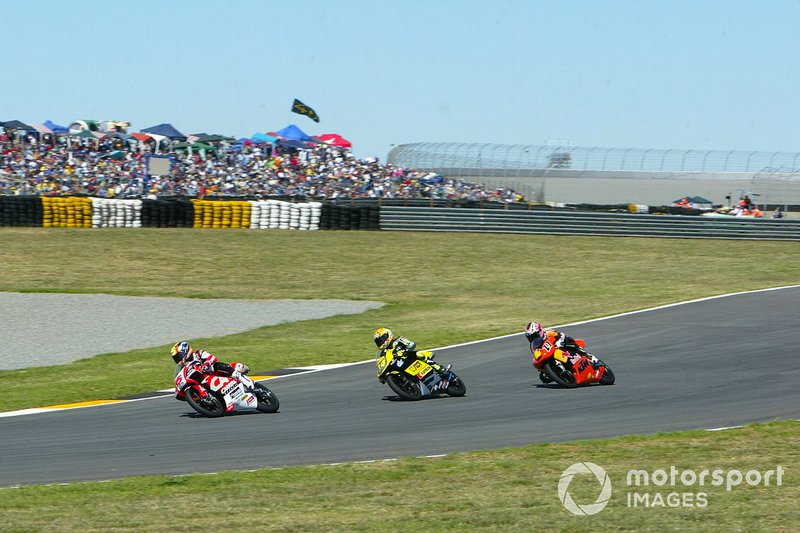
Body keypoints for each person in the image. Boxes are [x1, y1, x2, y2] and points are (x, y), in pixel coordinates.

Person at [524, 321, 595, 366]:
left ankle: (588, 356)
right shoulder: (536, 345)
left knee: (568, 341)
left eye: (534, 336)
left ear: (539, 331)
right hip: (552, 354)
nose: (533, 339)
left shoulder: (548, 332)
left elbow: (561, 334)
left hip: (562, 347)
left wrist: (559, 342)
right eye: (530, 337)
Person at [171, 341, 250, 380]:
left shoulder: (198, 353)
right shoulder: (184, 367)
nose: (179, 359)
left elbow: (213, 358)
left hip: (214, 373)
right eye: (176, 358)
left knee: (217, 365)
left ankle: (243, 379)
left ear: (185, 350)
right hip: (204, 379)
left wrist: (206, 364)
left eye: (179, 356)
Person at [373, 327, 439, 368]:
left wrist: (404, 352)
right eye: (378, 342)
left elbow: (412, 344)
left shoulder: (399, 340)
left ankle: (439, 368)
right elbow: (382, 362)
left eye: (381, 340)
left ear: (388, 335)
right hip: (399, 365)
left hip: (410, 358)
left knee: (419, 354)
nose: (381, 343)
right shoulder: (383, 353)